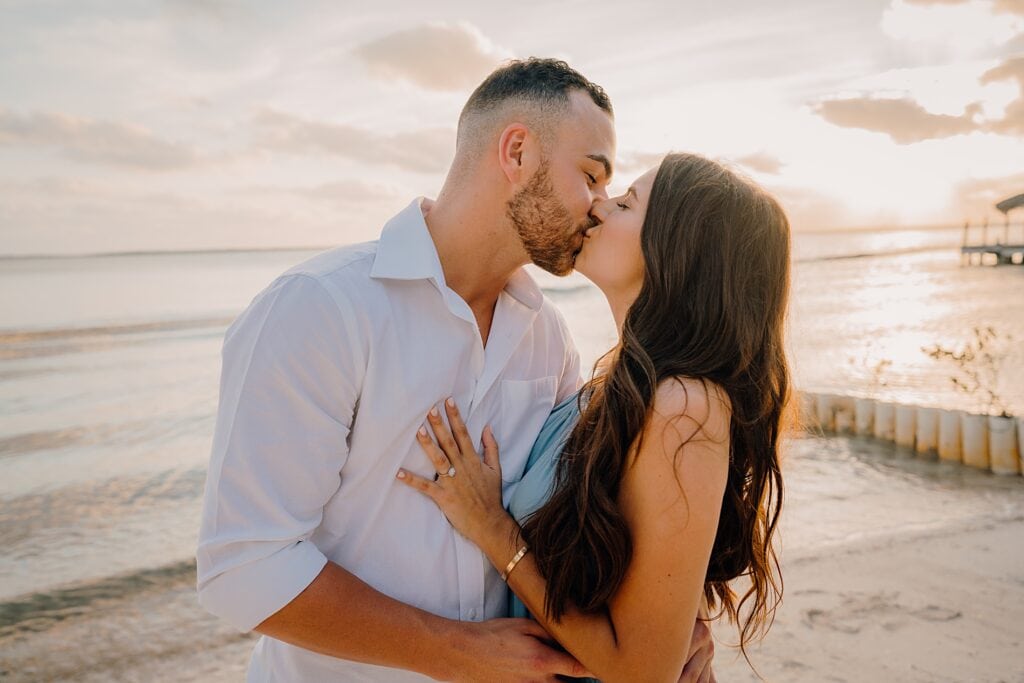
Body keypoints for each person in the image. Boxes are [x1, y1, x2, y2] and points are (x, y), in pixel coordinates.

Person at [196, 58, 714, 681]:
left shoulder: (545, 334)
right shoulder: (320, 308)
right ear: (517, 152)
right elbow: (245, 568)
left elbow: (591, 506)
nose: (600, 207)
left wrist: (672, 619)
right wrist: (458, 651)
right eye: (591, 176)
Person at [397, 152, 791, 682]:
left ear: (677, 251)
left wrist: (493, 529)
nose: (599, 206)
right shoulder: (611, 392)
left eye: (626, 202)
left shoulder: (684, 407)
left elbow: (642, 673)